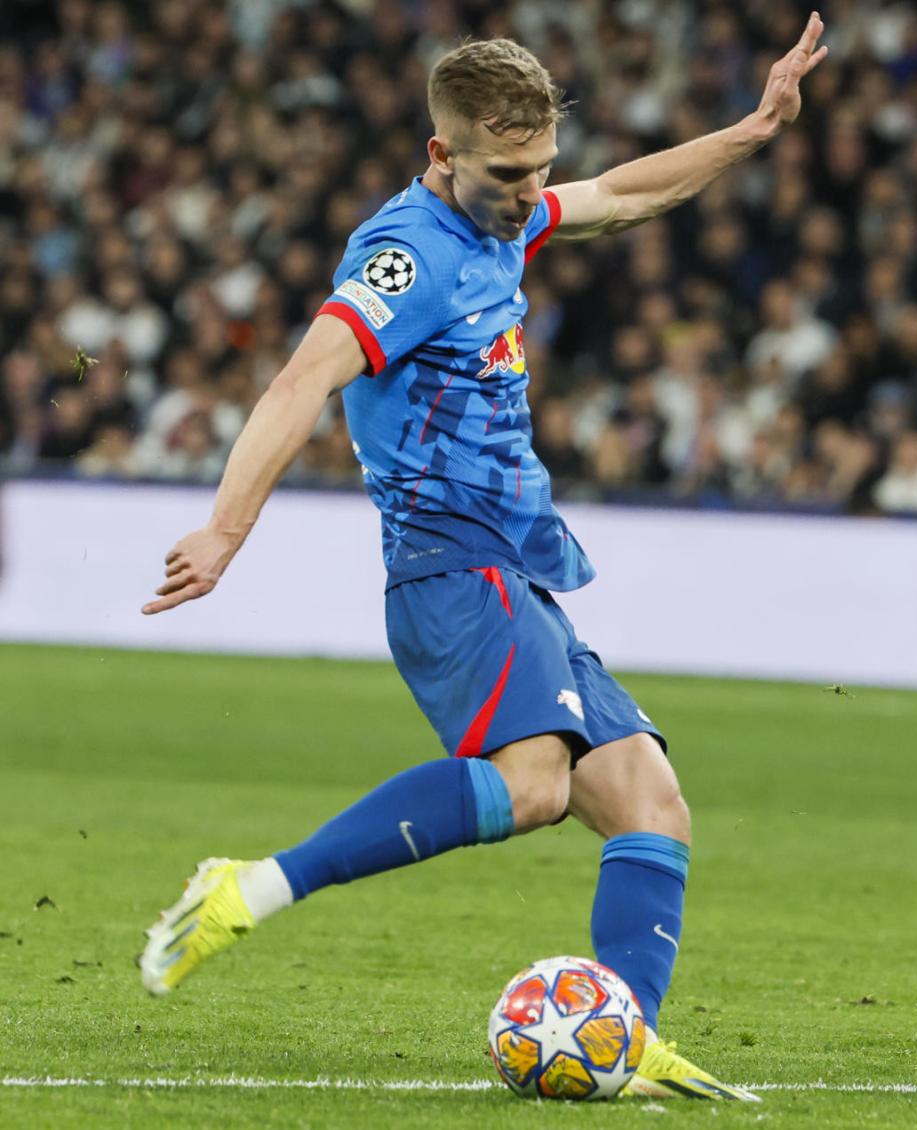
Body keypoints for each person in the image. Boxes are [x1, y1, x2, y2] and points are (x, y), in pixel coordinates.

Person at [136, 16, 830, 1102]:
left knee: (650, 802)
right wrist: (226, 529)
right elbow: (299, 380)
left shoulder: (505, 221)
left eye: (538, 168)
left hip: (518, 570)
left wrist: (750, 128)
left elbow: (622, 194)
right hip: (451, 566)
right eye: (507, 174)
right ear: (440, 156)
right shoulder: (405, 255)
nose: (528, 191)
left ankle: (624, 1034)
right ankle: (254, 884)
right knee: (536, 783)